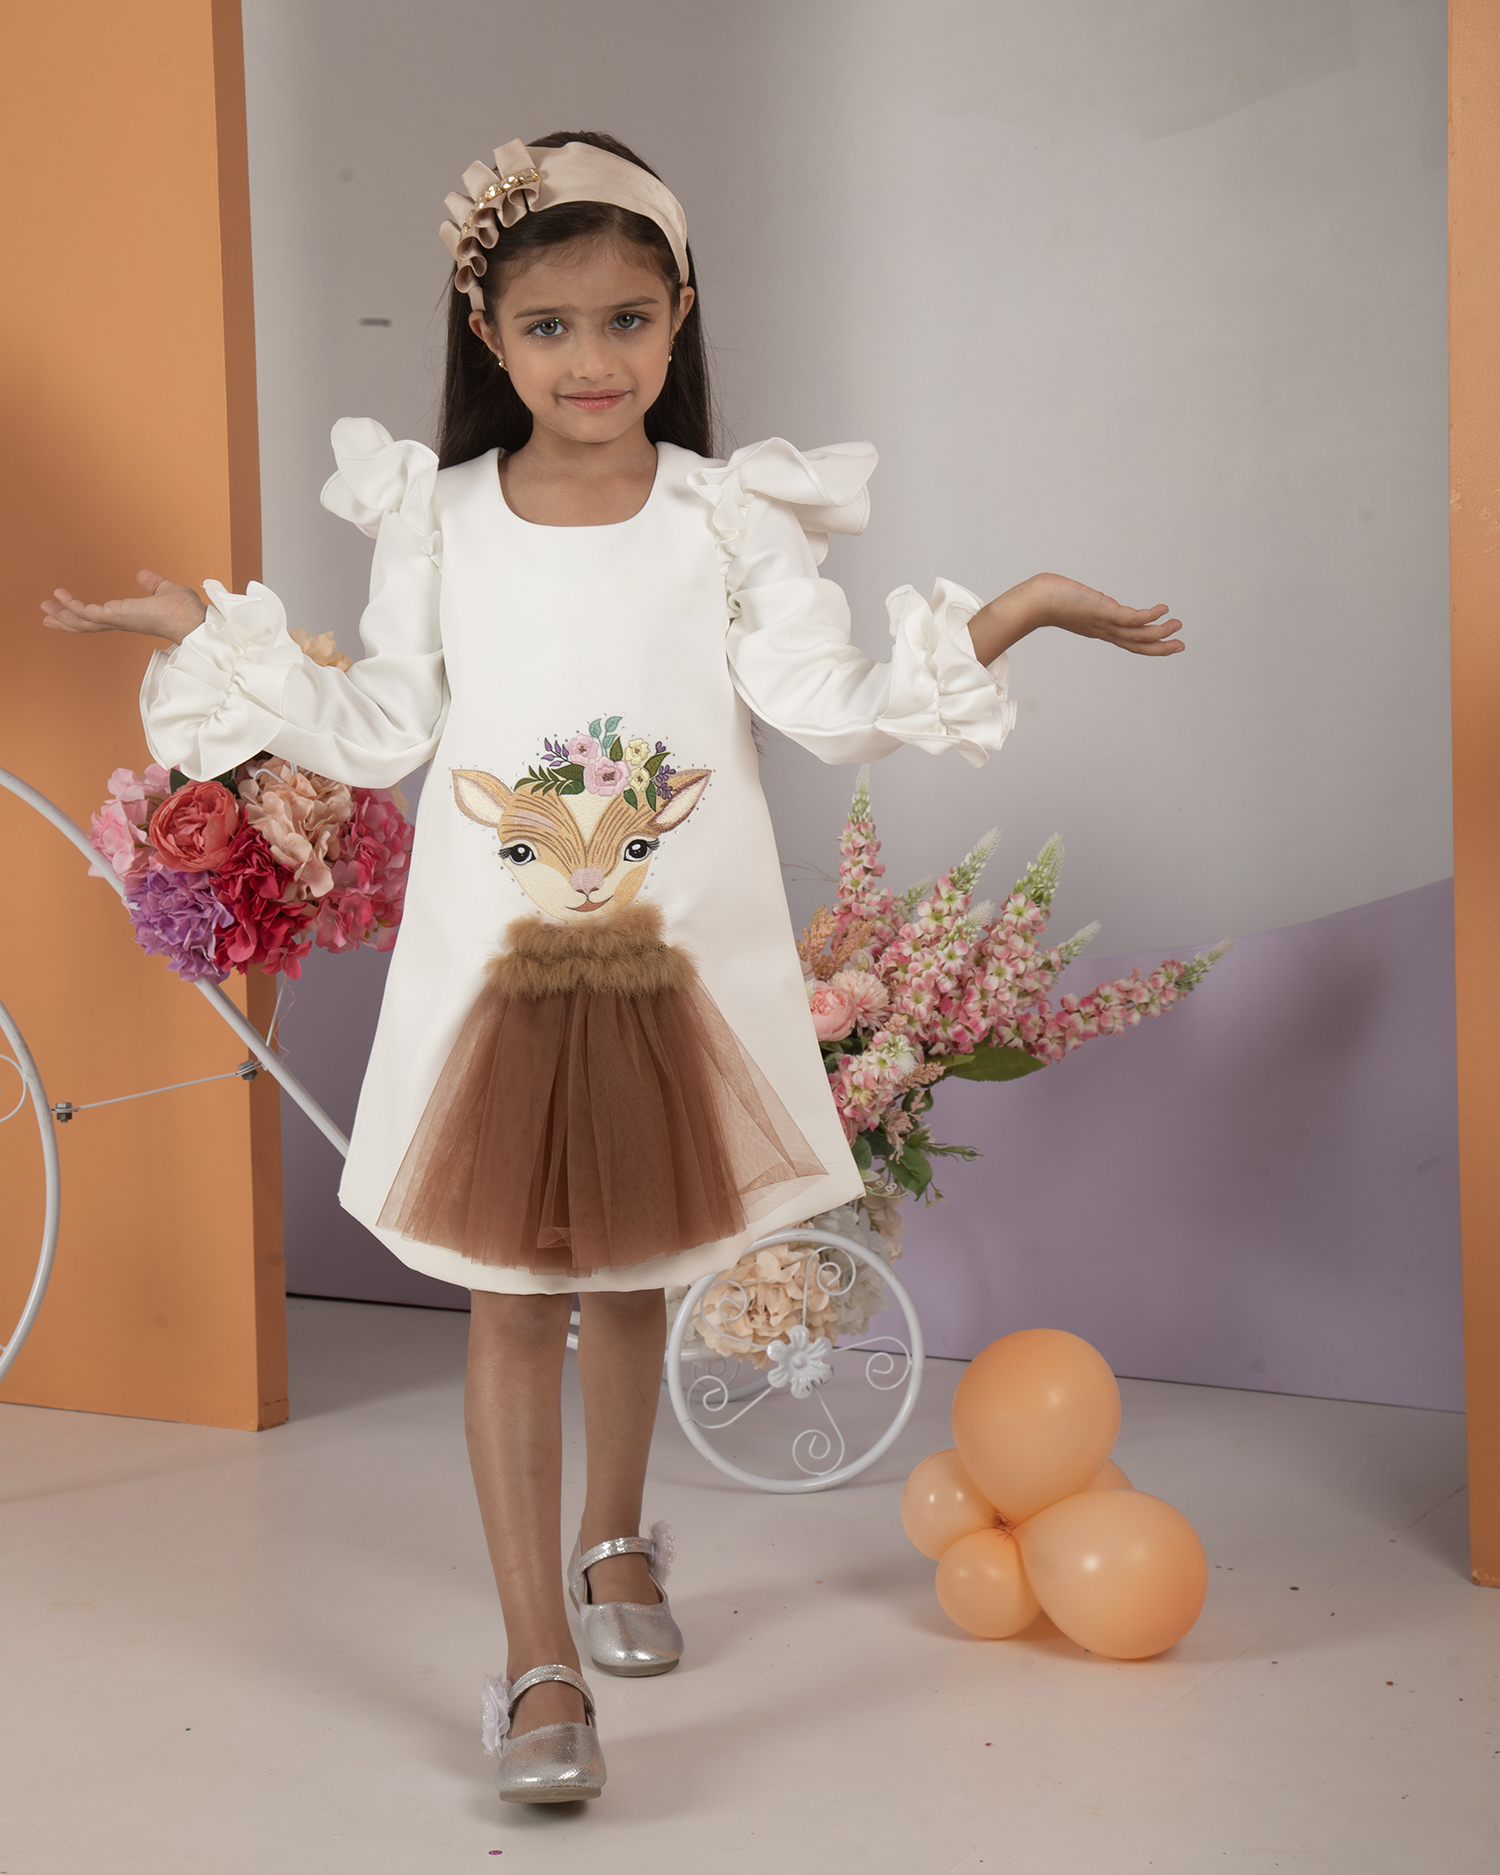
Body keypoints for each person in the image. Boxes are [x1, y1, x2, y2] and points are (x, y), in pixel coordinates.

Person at [41, 129, 1184, 1805]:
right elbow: (386, 726)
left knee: (635, 1269)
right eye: (552, 325)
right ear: (488, 334)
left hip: (670, 964)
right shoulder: (440, 518)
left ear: (681, 314)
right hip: (501, 968)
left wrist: (1004, 615)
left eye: (629, 319)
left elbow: (825, 708)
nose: (594, 359)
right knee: (514, 1297)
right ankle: (536, 1661)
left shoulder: (729, 517)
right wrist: (214, 643)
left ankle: (615, 1538)